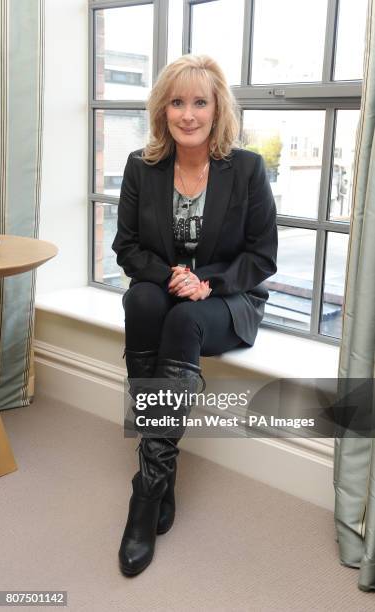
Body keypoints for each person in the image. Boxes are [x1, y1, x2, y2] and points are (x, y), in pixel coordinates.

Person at [112, 54, 278, 577]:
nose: (188, 114)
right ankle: (162, 473)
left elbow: (261, 255)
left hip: (229, 299)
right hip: (167, 285)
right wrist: (170, 277)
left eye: (199, 102)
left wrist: (209, 283)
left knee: (184, 322)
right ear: (162, 109)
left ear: (217, 108)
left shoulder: (247, 168)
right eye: (177, 102)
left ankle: (144, 493)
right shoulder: (142, 165)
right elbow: (128, 247)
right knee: (140, 299)